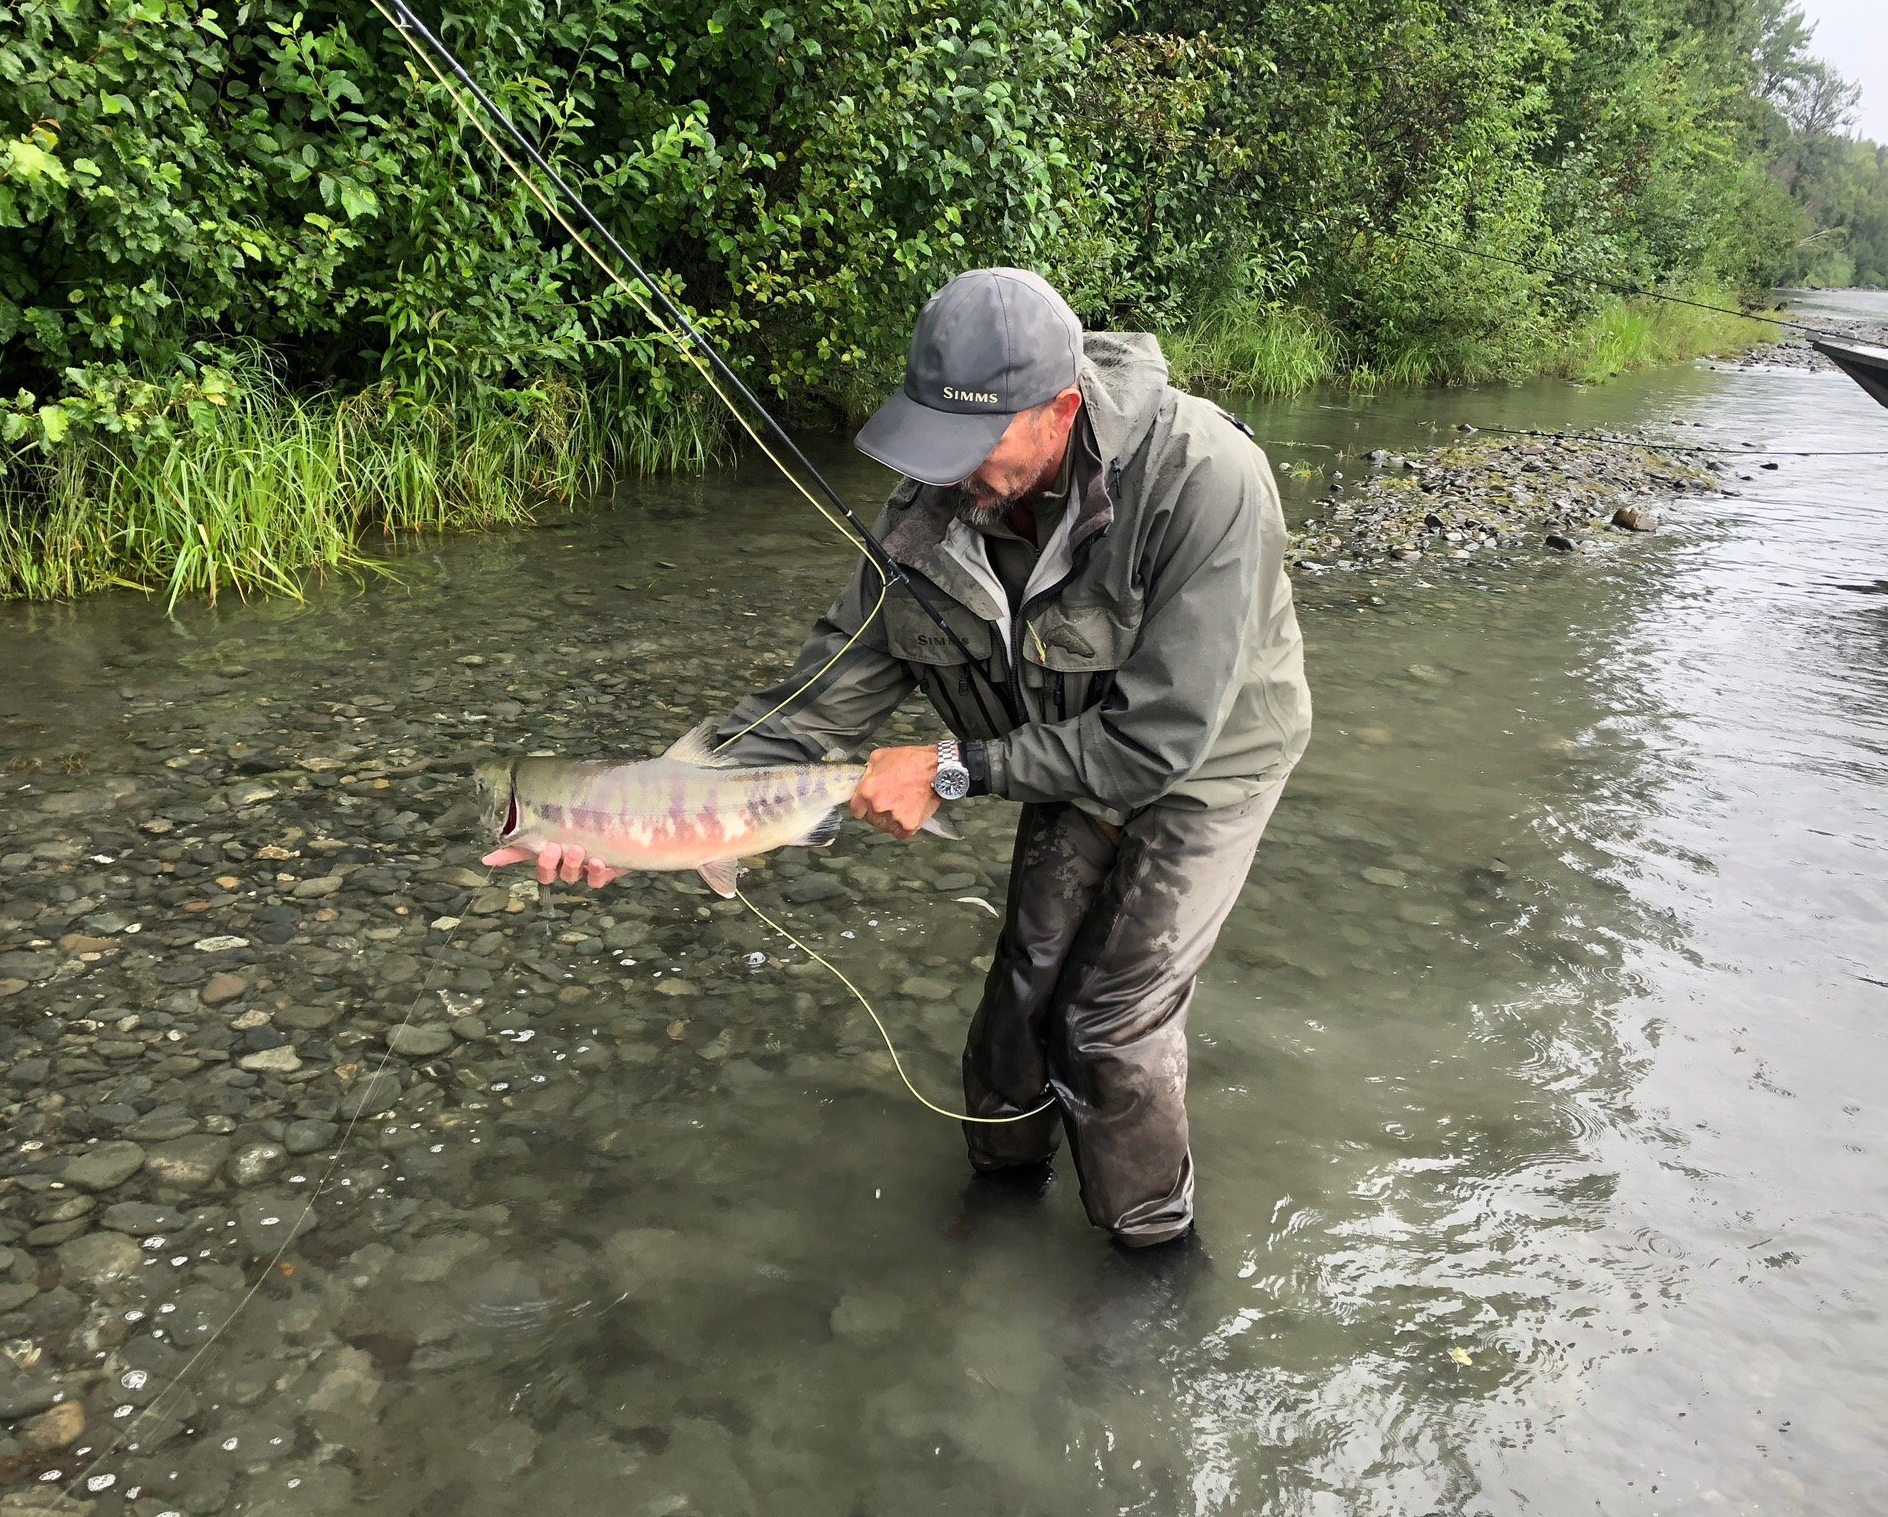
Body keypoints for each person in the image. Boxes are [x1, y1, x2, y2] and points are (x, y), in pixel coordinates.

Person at [502, 268, 1310, 1247]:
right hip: (1051, 752)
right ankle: (1001, 1205)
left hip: (1205, 763)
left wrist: (951, 768)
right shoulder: (926, 520)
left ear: (1058, 409)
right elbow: (812, 710)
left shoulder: (1204, 477)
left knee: (1103, 1025)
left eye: (971, 444)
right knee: (1022, 999)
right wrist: (637, 809)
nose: (947, 472)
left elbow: (1154, 744)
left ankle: (1150, 1261)